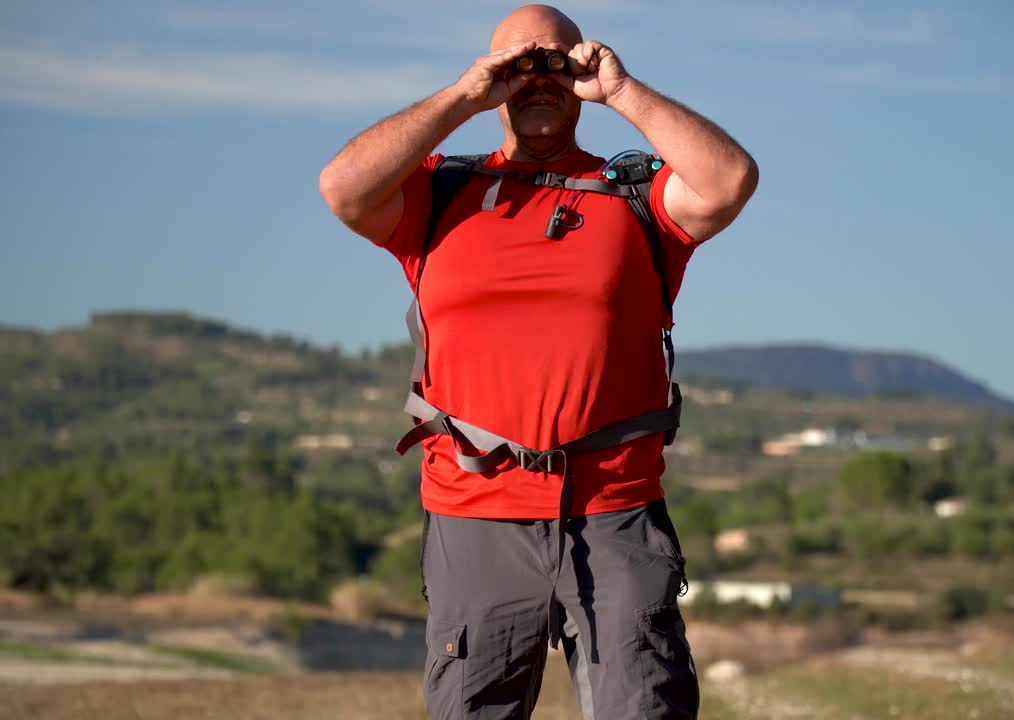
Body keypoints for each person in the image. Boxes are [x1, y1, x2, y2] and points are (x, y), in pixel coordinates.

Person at [319, 5, 757, 718]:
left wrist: (621, 91)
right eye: (517, 66)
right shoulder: (438, 195)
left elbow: (729, 180)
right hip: (474, 510)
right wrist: (465, 94)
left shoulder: (635, 198)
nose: (537, 80)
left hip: (613, 508)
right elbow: (343, 187)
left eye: (553, 62)